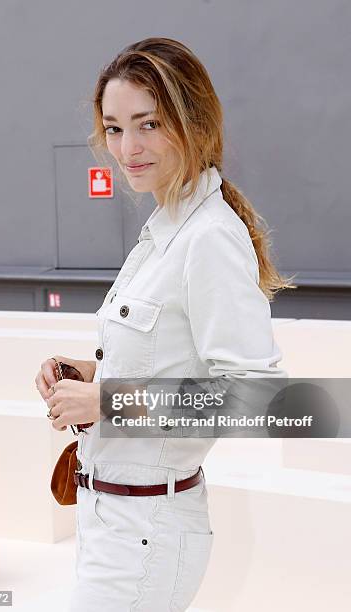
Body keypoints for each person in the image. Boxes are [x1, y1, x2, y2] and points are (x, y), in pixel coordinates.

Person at [35, 37, 294, 611]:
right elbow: (164, 355)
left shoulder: (208, 237)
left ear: (193, 122)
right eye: (114, 127)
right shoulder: (164, 229)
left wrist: (106, 402)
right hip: (113, 523)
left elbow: (262, 398)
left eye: (148, 123)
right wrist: (88, 371)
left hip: (145, 537)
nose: (128, 147)